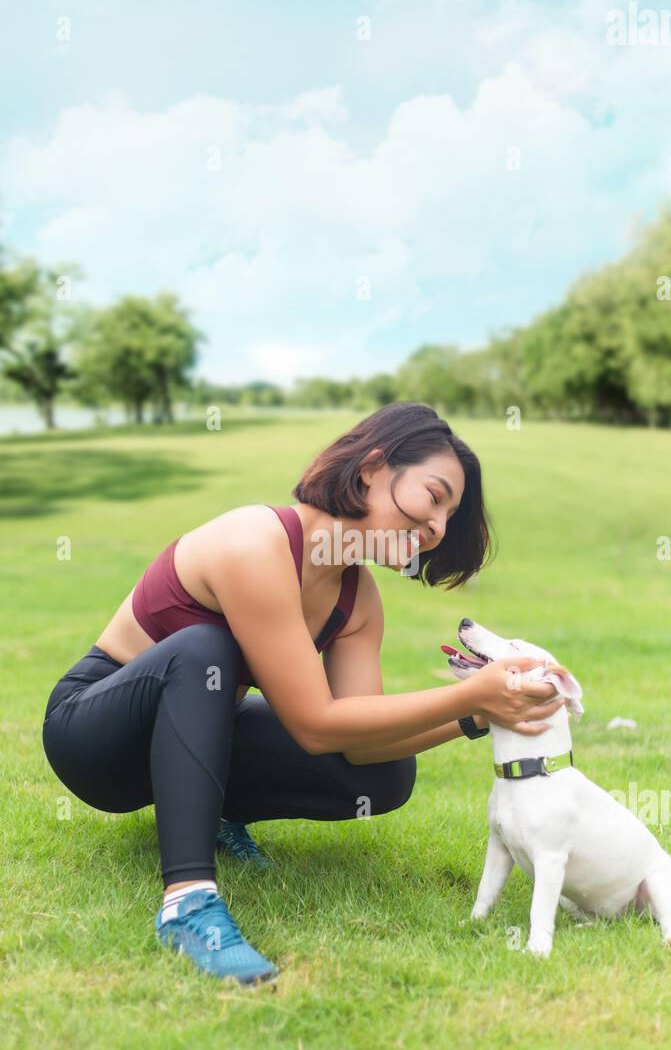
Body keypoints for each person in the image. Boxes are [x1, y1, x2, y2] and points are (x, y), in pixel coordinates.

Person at [41, 402, 567, 986]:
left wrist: (481, 712)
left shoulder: (358, 600)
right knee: (204, 651)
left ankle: (212, 811)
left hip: (193, 738)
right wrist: (474, 697)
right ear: (371, 469)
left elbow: (363, 745)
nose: (438, 526)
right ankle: (188, 903)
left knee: (388, 773)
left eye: (449, 516)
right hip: (94, 738)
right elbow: (316, 724)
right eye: (435, 496)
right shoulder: (255, 541)